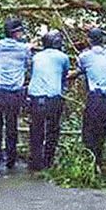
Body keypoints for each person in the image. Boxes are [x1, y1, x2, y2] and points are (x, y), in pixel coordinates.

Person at [0, 18, 32, 174]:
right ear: (15, 33)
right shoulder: (23, 49)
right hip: (14, 94)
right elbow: (28, 62)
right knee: (12, 126)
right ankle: (11, 159)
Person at [26, 30, 73, 172]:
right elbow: (65, 75)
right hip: (53, 98)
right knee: (52, 129)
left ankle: (35, 162)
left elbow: (31, 71)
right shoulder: (63, 57)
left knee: (36, 129)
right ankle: (48, 161)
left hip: (35, 97)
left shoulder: (36, 57)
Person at [76, 27, 106, 166]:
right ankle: (98, 161)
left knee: (89, 131)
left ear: (89, 40)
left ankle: (90, 163)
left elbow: (81, 69)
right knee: (102, 130)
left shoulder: (85, 57)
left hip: (97, 98)